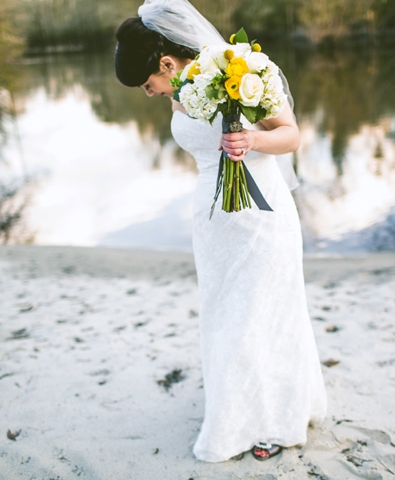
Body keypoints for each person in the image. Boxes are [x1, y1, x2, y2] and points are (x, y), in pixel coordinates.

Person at [114, 0, 327, 463]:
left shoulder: (243, 69)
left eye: (148, 84)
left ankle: (275, 421)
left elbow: (290, 135)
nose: (150, 94)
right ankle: (235, 412)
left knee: (261, 313)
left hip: (261, 214)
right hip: (213, 219)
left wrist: (252, 139)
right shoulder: (181, 91)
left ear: (167, 63)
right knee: (225, 314)